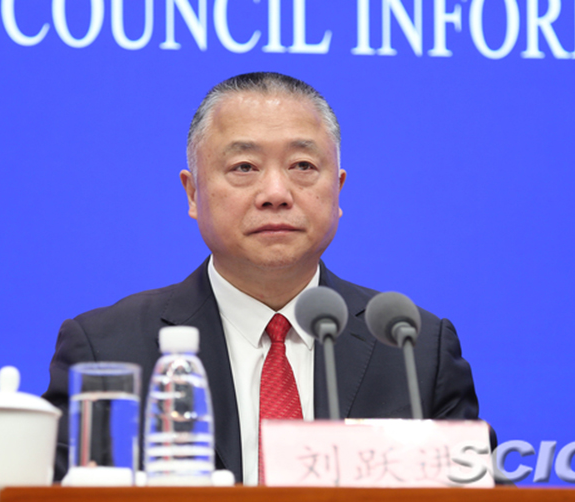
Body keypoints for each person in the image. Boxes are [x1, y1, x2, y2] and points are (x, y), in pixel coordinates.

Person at [42, 72, 481, 485]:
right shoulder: (107, 349)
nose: (275, 193)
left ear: (338, 190)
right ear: (193, 193)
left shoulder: (415, 352)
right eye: (244, 167)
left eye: (302, 165)